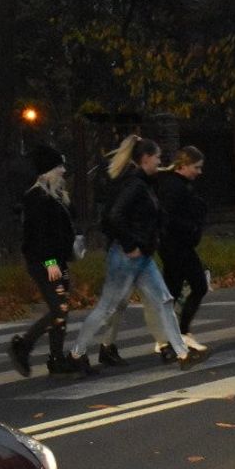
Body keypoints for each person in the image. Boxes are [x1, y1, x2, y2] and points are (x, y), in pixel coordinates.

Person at [65, 135, 209, 374]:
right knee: (107, 308)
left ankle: (182, 353)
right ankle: (76, 353)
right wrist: (130, 243)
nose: (160, 161)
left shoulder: (144, 183)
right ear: (145, 159)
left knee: (164, 300)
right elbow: (113, 217)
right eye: (157, 157)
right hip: (126, 255)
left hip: (142, 255)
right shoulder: (134, 185)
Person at [8, 145, 79, 377]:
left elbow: (64, 227)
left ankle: (56, 358)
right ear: (47, 171)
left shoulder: (56, 196)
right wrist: (51, 265)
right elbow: (39, 238)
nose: (63, 171)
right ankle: (23, 346)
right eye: (59, 166)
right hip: (45, 263)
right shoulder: (36, 198)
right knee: (58, 308)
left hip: (58, 260)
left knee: (63, 309)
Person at [156, 146, 211, 352]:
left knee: (174, 290)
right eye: (196, 167)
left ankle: (171, 336)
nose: (199, 171)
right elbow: (170, 217)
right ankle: (180, 333)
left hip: (176, 245)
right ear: (183, 166)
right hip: (177, 245)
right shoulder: (174, 187)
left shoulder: (176, 184)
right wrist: (192, 226)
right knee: (197, 285)